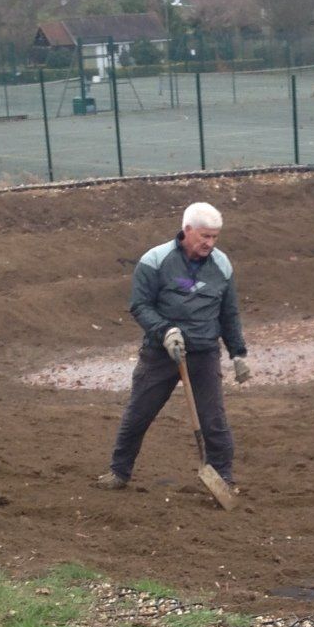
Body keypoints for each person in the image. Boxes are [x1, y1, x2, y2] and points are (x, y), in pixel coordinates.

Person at [94, 202, 251, 490]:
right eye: (204, 236)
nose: (210, 243)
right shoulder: (155, 260)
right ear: (187, 230)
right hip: (160, 353)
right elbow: (140, 305)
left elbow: (229, 313)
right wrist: (165, 331)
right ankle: (119, 472)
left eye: (215, 237)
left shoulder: (222, 265)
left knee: (213, 421)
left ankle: (223, 479)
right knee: (139, 414)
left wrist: (238, 352)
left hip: (203, 352)